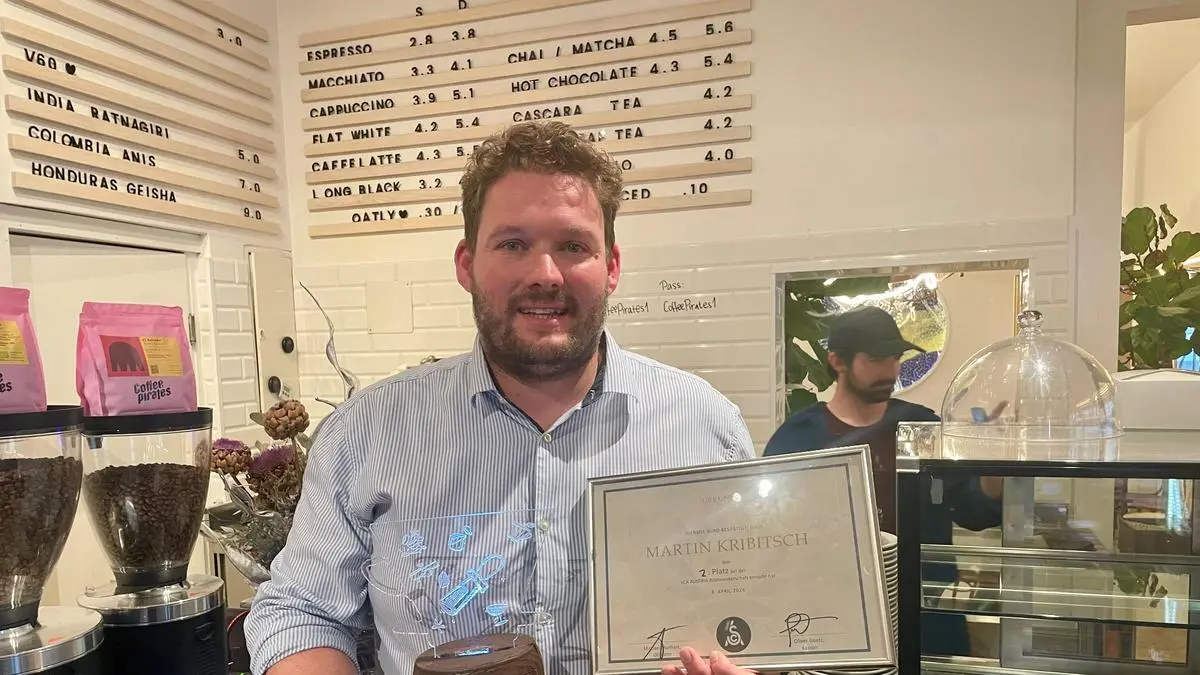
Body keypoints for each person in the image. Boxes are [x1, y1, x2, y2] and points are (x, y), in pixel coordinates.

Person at [244, 121, 757, 675]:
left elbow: (760, 610)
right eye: (513, 244)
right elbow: (302, 612)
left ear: (610, 266)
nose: (545, 274)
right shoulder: (367, 431)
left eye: (573, 246)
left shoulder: (706, 426)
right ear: (467, 264)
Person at [763, 305, 1002, 657]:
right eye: (876, 359)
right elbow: (773, 532)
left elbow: (972, 510)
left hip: (924, 612)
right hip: (834, 615)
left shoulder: (922, 428)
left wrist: (995, 462)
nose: (890, 370)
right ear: (837, 361)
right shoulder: (797, 439)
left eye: (895, 358)